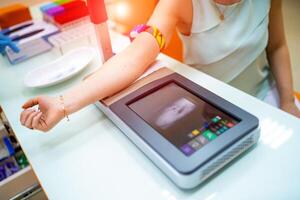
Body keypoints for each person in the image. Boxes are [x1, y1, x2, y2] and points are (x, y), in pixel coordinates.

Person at [20, 0, 300, 132]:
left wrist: (287, 103)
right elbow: (135, 57)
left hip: (267, 100)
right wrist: (63, 103)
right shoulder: (179, 3)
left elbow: (277, 46)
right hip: (215, 113)